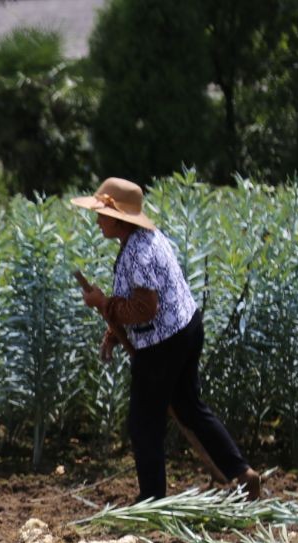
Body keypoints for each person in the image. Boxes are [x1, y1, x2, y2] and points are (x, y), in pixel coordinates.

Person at [71, 177, 261, 503]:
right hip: (186, 328)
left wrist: (103, 304)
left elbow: (145, 309)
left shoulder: (139, 253)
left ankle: (152, 500)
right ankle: (242, 473)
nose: (98, 220)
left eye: (102, 213)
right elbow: (139, 304)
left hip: (163, 344)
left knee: (144, 423)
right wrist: (114, 333)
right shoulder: (147, 238)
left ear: (119, 218)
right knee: (190, 408)